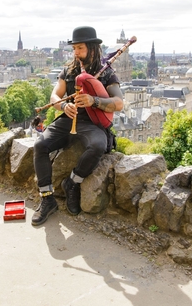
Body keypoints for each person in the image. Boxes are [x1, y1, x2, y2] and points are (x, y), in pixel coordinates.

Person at [31, 26, 124, 226]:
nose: (76, 53)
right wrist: (64, 106)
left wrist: (94, 101)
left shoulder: (106, 73)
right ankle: (47, 199)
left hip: (92, 123)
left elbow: (119, 103)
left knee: (98, 146)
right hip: (68, 120)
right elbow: (54, 97)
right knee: (40, 146)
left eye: (80, 48)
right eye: (74, 49)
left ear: (92, 48)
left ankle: (72, 182)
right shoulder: (70, 70)